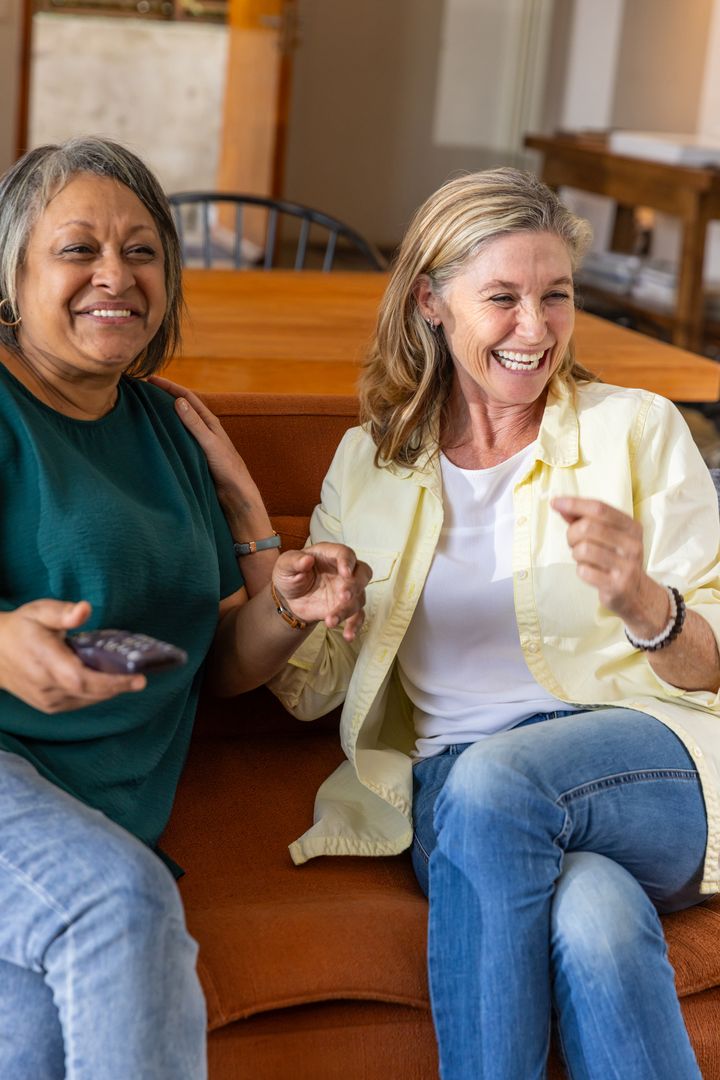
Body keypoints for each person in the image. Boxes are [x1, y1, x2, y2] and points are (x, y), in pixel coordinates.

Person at [186, 167, 720, 1079]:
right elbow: (307, 691)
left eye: (557, 297)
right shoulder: (371, 460)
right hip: (454, 795)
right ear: (431, 301)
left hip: (647, 764)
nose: (535, 327)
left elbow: (708, 663)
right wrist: (293, 593)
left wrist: (644, 602)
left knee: (500, 781)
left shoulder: (639, 428)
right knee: (592, 913)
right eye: (503, 298)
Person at [0, 136, 370, 1080]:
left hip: (92, 812)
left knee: (35, 1042)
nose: (114, 275)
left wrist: (281, 596)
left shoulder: (164, 426)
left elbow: (222, 666)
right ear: (12, 275)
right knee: (117, 906)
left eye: (143, 250)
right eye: (77, 249)